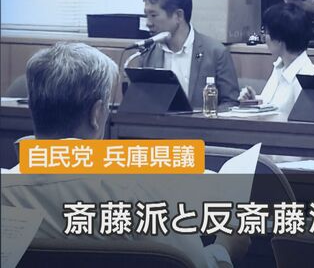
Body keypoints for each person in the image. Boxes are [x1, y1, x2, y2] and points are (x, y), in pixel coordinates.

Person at [1, 42, 248, 268]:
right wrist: (225, 248)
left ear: (32, 107)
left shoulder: (7, 192)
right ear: (96, 114)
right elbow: (190, 264)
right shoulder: (143, 192)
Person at [138, 0, 239, 108]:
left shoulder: (215, 52)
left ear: (178, 16)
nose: (148, 23)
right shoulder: (148, 53)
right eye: (146, 16)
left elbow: (231, 103)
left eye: (153, 15)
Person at [238, 3, 314, 120]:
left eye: (266, 33)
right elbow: (271, 107)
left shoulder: (307, 76)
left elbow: (306, 123)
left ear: (279, 39)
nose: (264, 38)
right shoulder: (280, 66)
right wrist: (253, 102)